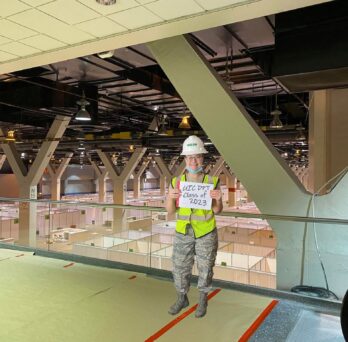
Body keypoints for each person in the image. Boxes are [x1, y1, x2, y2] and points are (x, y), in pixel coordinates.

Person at [166, 135, 223, 318]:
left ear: (202, 158)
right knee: (180, 267)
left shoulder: (211, 182)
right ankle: (182, 298)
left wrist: (218, 199)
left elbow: (217, 210)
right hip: (184, 232)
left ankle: (203, 300)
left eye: (197, 156)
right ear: (184, 160)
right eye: (190, 157)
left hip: (206, 232)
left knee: (205, 268)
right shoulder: (176, 182)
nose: (193, 161)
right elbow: (170, 211)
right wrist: (170, 197)